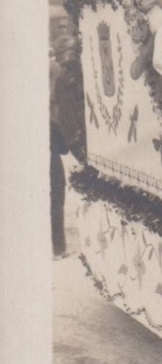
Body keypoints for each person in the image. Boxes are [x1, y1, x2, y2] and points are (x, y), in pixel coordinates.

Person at [50, 34, 86, 259]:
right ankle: (59, 248)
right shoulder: (52, 122)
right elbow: (63, 147)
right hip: (52, 163)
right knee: (55, 204)